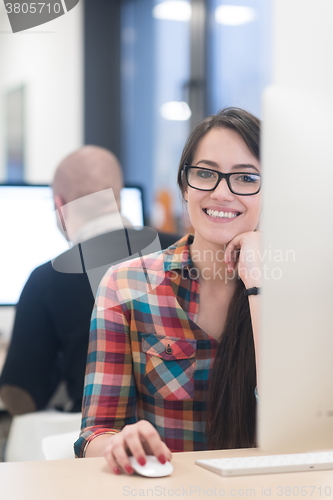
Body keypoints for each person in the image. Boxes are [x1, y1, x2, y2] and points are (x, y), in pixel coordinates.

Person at [74, 108, 261, 475]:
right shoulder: (126, 286)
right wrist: (120, 444)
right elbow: (94, 433)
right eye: (205, 173)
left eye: (246, 177)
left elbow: (300, 426)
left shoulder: (303, 289)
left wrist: (259, 283)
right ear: (184, 186)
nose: (222, 192)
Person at [0, 146, 180, 415]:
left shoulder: (47, 279)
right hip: (184, 433)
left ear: (59, 205)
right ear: (117, 195)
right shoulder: (181, 250)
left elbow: (22, 396)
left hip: (97, 440)